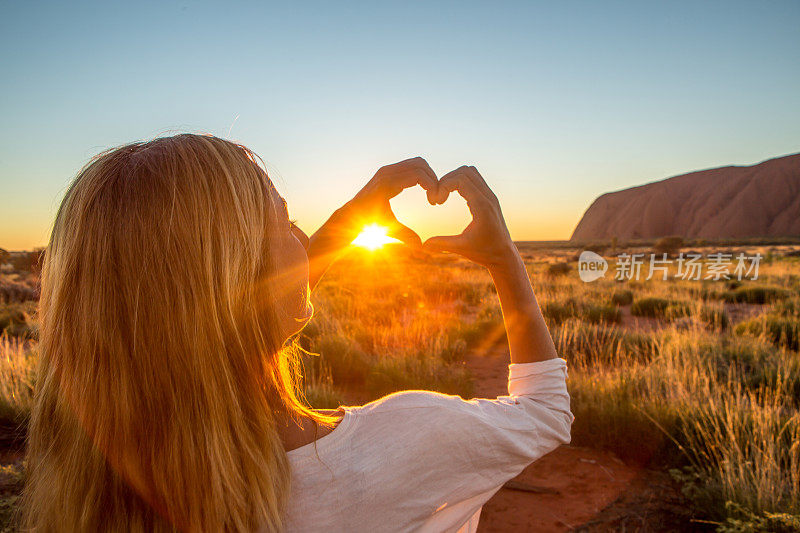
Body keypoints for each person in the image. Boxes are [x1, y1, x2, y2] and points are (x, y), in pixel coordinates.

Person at [22, 133, 572, 532]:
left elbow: (223, 310)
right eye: (283, 220)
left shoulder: (89, 477)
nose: (303, 234)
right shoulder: (398, 446)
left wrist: (346, 222)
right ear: (241, 274)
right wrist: (505, 261)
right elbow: (547, 413)